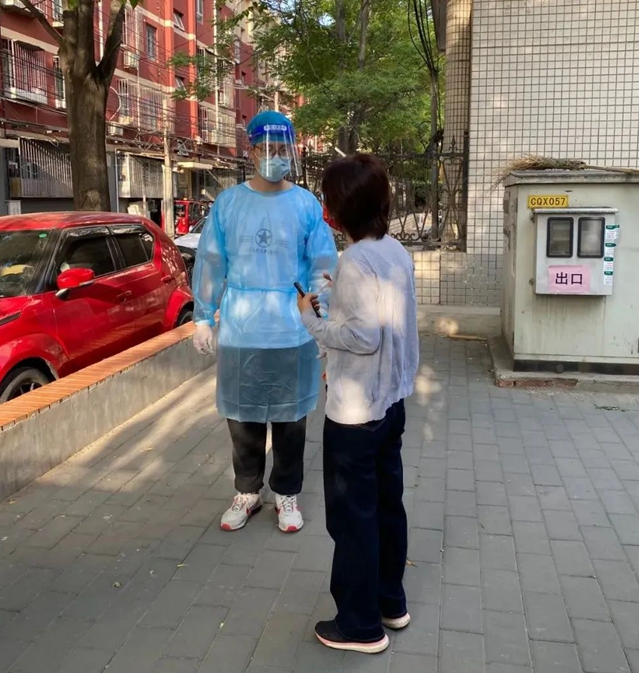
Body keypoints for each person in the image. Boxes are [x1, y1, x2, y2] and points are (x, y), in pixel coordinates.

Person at [192, 110, 337, 534]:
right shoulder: (229, 203)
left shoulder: (305, 204)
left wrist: (321, 318)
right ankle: (248, 491)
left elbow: (323, 265)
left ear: (292, 151)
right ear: (251, 152)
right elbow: (212, 261)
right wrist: (203, 316)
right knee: (243, 419)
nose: (275, 156)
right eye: (266, 148)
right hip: (241, 327)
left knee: (291, 421)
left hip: (292, 329)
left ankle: (287, 492)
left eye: (282, 149)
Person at [297, 154, 419, 654]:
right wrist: (338, 297)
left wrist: (311, 319)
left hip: (355, 413)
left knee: (352, 518)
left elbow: (363, 337)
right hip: (390, 402)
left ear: (338, 210)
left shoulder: (354, 262)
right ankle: (391, 602)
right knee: (387, 506)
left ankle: (360, 625)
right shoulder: (395, 250)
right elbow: (381, 317)